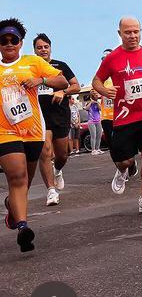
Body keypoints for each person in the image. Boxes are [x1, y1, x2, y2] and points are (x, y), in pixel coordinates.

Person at [0, 18, 68, 252]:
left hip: (33, 131)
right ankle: (23, 228)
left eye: (14, 40)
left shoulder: (33, 62)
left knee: (25, 182)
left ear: (20, 43)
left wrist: (41, 79)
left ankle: (12, 209)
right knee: (17, 176)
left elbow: (62, 81)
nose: (9, 44)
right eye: (4, 40)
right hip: (5, 132)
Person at [92, 17, 142, 214]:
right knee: (125, 161)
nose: (132, 36)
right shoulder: (112, 58)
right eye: (128, 32)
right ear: (119, 34)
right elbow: (96, 81)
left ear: (140, 32)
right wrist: (104, 91)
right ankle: (122, 171)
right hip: (124, 117)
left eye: (136, 31)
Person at [33, 33, 81, 206]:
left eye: (46, 47)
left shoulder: (60, 66)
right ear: (34, 50)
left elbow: (76, 86)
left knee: (62, 155)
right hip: (40, 115)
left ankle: (58, 170)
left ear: (50, 48)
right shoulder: (31, 68)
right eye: (39, 47)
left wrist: (63, 91)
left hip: (60, 114)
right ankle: (51, 191)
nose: (43, 50)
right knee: (45, 151)